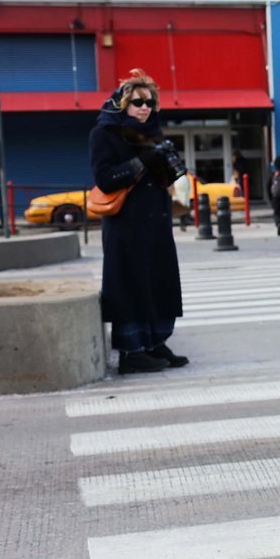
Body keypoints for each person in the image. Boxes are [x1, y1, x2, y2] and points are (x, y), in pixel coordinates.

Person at [90, 68, 189, 374]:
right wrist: (143, 160)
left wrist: (170, 163)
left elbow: (165, 178)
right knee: (130, 285)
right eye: (137, 102)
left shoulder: (152, 134)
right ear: (122, 104)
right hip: (126, 225)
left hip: (156, 224)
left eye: (149, 102)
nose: (144, 107)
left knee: (159, 282)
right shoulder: (104, 133)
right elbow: (105, 179)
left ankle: (156, 342)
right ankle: (132, 353)